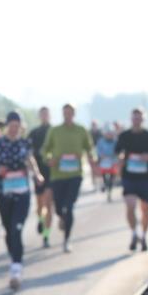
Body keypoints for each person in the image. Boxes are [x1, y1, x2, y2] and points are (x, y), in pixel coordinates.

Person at [0, 112, 45, 290]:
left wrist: (36, 174)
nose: (13, 129)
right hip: (4, 193)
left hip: (22, 192)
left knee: (17, 228)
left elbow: (30, 160)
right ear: (6, 126)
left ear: (20, 127)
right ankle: (14, 258)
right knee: (8, 230)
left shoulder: (24, 143)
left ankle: (16, 270)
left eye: (16, 126)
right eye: (11, 125)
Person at [41, 103, 96, 253]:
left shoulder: (81, 130)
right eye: (65, 113)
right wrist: (49, 159)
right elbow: (45, 150)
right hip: (57, 175)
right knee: (59, 208)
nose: (67, 115)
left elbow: (89, 147)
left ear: (74, 114)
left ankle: (66, 240)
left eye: (70, 113)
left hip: (75, 175)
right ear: (62, 114)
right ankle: (62, 217)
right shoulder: (55, 131)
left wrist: (91, 157)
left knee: (69, 206)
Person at [116, 108, 148, 252]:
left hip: (145, 177)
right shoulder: (124, 136)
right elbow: (117, 151)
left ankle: (143, 236)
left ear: (143, 120)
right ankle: (134, 233)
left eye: (139, 118)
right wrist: (121, 158)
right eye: (134, 118)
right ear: (131, 119)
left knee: (145, 209)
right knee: (130, 206)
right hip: (129, 176)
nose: (136, 121)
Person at [27, 106, 53, 247]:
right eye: (42, 114)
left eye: (46, 114)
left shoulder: (54, 131)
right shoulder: (34, 133)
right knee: (39, 204)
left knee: (48, 204)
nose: (44, 116)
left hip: (51, 172)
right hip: (38, 172)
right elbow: (27, 152)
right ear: (39, 116)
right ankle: (41, 221)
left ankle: (46, 235)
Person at [95, 125, 119, 201]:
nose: (109, 135)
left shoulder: (115, 141)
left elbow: (118, 150)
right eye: (107, 133)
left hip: (113, 161)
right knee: (104, 177)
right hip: (104, 162)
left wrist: (115, 155)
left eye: (110, 133)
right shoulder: (101, 141)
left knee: (112, 178)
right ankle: (105, 186)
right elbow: (98, 150)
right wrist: (101, 156)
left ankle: (110, 192)